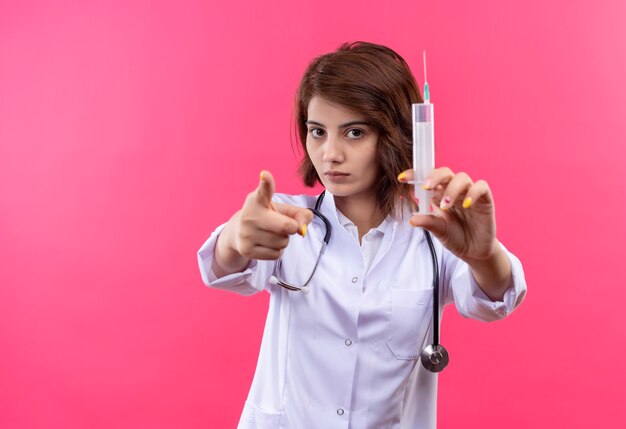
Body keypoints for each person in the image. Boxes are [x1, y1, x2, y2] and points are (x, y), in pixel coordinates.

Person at [197, 41, 526, 429]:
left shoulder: (436, 234)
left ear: (395, 133)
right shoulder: (288, 219)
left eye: (353, 132)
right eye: (317, 131)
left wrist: (483, 255)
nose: (329, 154)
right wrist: (236, 238)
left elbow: (495, 301)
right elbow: (223, 264)